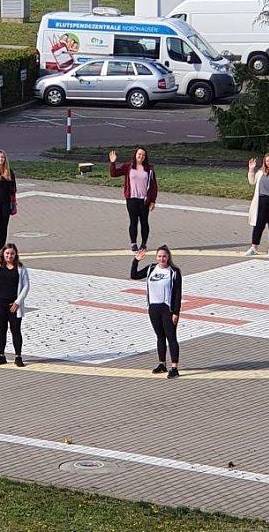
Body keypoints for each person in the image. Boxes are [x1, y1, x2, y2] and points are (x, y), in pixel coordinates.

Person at [131, 245, 183, 378]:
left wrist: (176, 312)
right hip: (153, 308)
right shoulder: (151, 269)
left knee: (171, 337)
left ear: (168, 257)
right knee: (160, 337)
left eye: (164, 256)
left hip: (167, 309)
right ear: (156, 257)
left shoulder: (174, 272)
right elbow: (134, 276)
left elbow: (177, 293)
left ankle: (174, 367)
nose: (162, 258)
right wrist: (136, 260)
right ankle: (162, 364)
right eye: (159, 256)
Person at [109, 147, 158, 252]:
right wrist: (113, 163)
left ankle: (144, 244)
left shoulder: (149, 169)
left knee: (144, 222)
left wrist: (152, 200)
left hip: (144, 200)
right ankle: (133, 243)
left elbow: (154, 186)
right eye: (139, 154)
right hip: (131, 199)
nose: (141, 157)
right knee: (133, 221)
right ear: (135, 155)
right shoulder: (128, 166)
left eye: (143, 155)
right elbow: (114, 174)